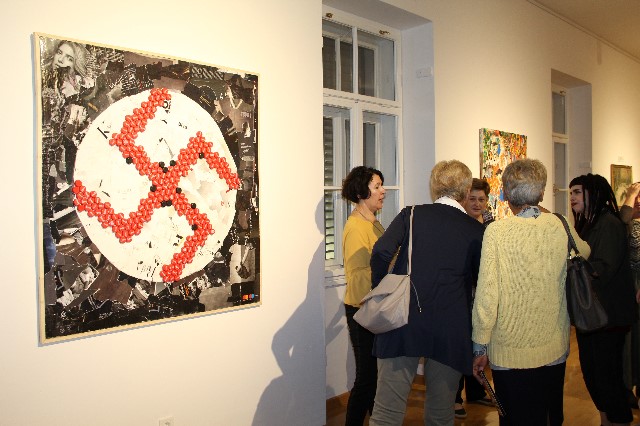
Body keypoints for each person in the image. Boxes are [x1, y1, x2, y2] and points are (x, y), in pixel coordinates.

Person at [472, 159, 590, 426]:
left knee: (515, 418)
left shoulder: (496, 232)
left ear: (505, 193)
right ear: (542, 192)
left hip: (510, 349)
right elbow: (585, 251)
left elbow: (487, 296)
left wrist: (479, 346)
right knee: (550, 417)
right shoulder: (559, 224)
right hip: (554, 344)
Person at [369, 160, 484, 425]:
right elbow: (482, 285)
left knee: (386, 413)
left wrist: (381, 289)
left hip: (402, 318)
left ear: (434, 187)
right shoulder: (476, 230)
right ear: (466, 190)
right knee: (441, 414)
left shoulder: (411, 215)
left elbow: (381, 252)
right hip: (451, 326)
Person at [569, 173, 637, 426]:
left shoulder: (608, 224)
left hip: (608, 317)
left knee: (607, 378)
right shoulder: (589, 223)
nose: (572, 197)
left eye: (577, 192)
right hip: (593, 315)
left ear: (593, 194)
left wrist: (571, 267)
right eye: (571, 192)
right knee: (594, 376)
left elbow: (602, 268)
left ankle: (618, 420)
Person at [341, 166, 386, 425]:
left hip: (373, 307)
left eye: (381, 185)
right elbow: (357, 275)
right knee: (367, 378)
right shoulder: (356, 226)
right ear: (361, 192)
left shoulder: (372, 221)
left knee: (374, 377)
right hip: (362, 309)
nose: (383, 191)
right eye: (377, 186)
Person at [454, 178, 494, 419]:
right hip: (463, 292)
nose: (477, 204)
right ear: (464, 199)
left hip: (483, 292)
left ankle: (476, 391)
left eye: (482, 199)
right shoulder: (458, 225)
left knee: (480, 341)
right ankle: (455, 398)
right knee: (462, 344)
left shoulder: (490, 223)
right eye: (472, 199)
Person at [621, 183, 640, 406]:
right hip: (628, 285)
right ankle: (627, 387)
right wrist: (631, 194)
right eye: (637, 198)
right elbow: (623, 218)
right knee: (628, 341)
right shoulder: (625, 223)